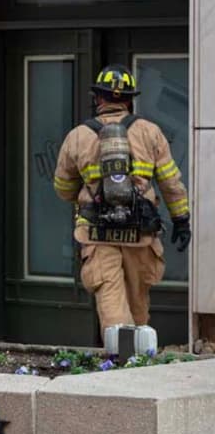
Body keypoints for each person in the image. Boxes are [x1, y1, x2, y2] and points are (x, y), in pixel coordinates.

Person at [54, 64, 191, 340]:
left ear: (98, 98)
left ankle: (119, 361)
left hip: (97, 232)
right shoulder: (150, 132)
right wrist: (181, 219)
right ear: (129, 99)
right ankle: (137, 363)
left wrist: (87, 192)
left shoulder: (78, 136)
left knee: (111, 301)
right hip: (140, 232)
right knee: (138, 304)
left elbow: (63, 188)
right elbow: (170, 182)